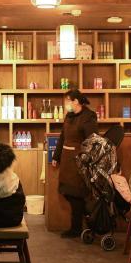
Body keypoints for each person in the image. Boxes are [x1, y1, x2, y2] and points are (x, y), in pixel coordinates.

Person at [52, 89, 98, 238]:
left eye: (68, 100)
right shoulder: (69, 116)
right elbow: (62, 137)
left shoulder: (88, 117)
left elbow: (92, 141)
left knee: (76, 193)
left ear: (76, 101)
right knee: (67, 192)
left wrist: (87, 160)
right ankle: (85, 222)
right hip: (66, 160)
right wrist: (56, 156)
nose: (66, 104)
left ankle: (78, 227)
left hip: (79, 161)